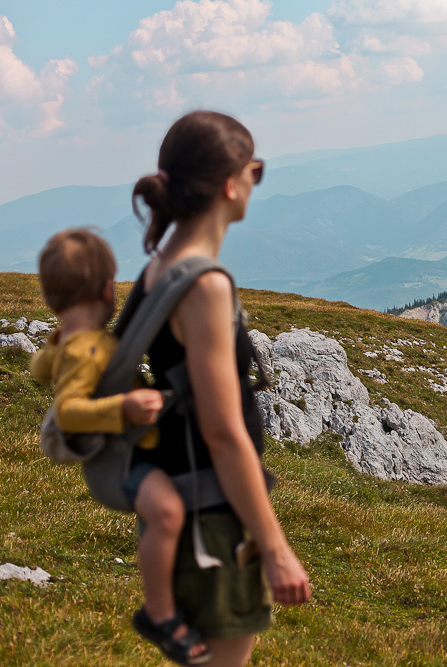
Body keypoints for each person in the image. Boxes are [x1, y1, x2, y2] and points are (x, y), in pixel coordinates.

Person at [128, 110, 311, 667]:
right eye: (256, 168)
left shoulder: (160, 267)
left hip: (184, 491)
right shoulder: (203, 284)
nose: (257, 179)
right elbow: (223, 431)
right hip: (211, 510)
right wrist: (276, 550)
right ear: (231, 183)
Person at [30, 229, 209, 664]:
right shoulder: (84, 349)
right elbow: (69, 409)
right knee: (166, 511)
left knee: (168, 512)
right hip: (118, 465)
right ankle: (160, 613)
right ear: (104, 288)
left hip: (127, 454)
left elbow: (39, 368)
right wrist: (123, 406)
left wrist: (56, 343)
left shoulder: (72, 341)